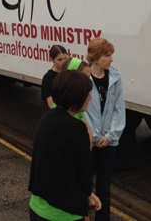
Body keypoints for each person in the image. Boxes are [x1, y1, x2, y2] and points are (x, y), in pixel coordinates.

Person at [29, 70, 102, 221]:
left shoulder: (47, 118)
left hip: (38, 206)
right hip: (63, 214)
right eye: (86, 93)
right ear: (75, 95)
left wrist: (88, 195)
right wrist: (87, 196)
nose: (90, 97)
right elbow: (84, 174)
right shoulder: (77, 128)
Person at [85, 38, 126, 221]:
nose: (111, 59)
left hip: (109, 142)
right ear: (95, 57)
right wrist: (93, 135)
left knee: (104, 188)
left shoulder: (115, 78)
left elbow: (119, 109)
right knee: (84, 186)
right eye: (107, 55)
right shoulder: (84, 78)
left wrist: (110, 136)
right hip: (88, 141)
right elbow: (80, 109)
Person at [40, 44, 68, 115]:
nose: (63, 62)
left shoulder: (68, 73)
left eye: (65, 58)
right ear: (52, 60)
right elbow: (51, 104)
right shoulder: (48, 78)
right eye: (60, 60)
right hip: (53, 115)